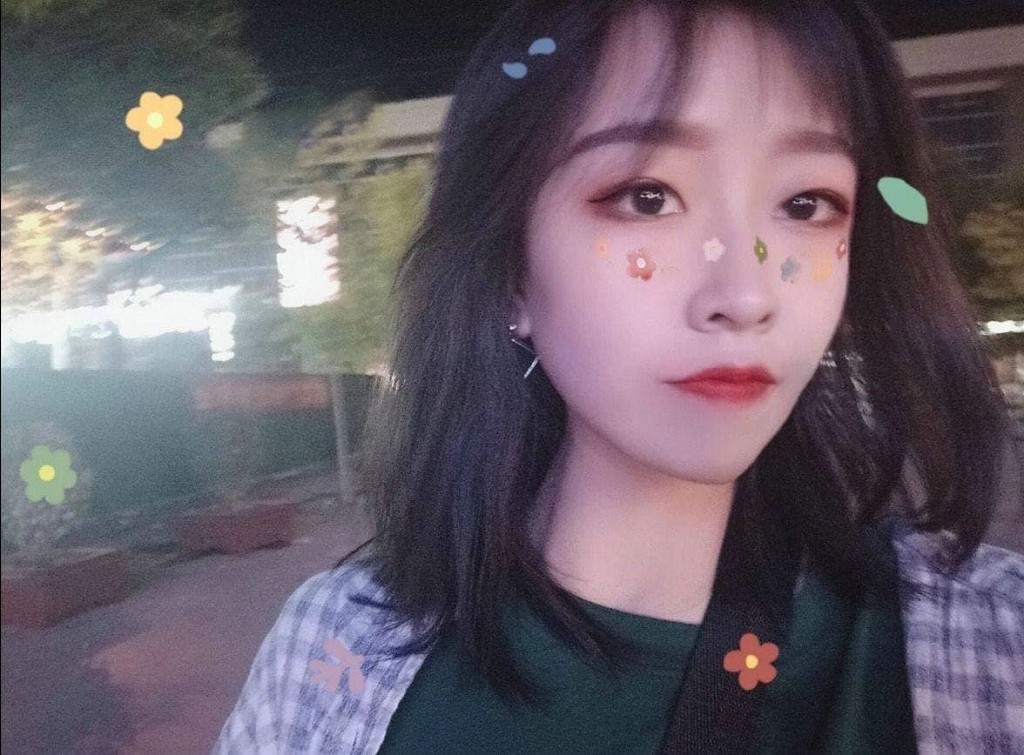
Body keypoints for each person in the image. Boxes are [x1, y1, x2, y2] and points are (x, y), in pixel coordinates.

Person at [214, 1, 1024, 752]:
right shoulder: (333, 652)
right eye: (647, 196)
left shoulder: (984, 644)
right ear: (509, 272)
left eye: (807, 204)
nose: (746, 295)